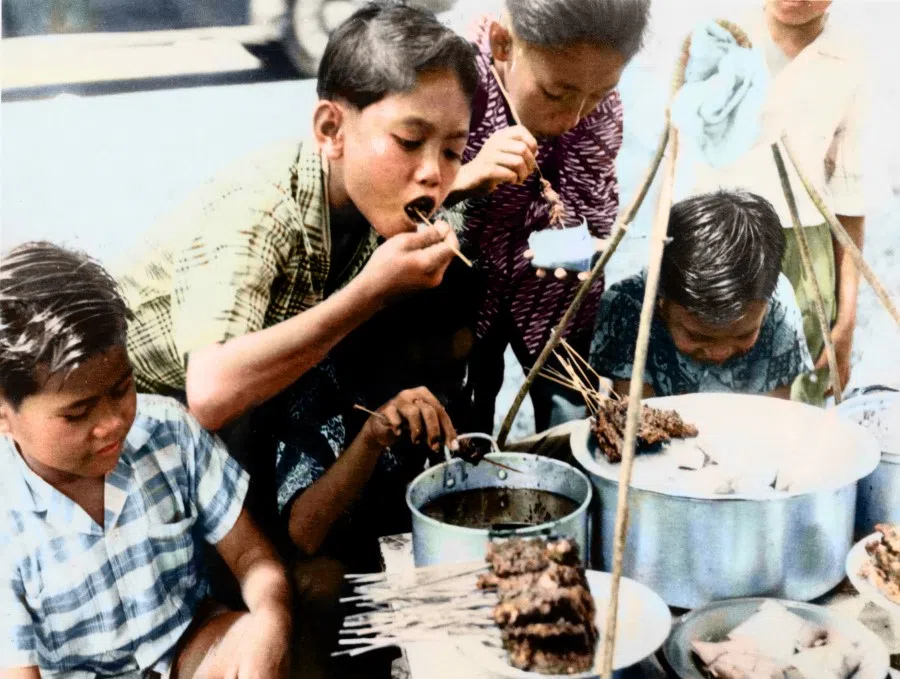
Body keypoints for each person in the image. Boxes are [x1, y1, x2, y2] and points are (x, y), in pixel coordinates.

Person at [114, 4, 478, 436]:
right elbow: (211, 393)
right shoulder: (259, 209)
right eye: (410, 141)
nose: (433, 173)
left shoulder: (372, 197)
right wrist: (372, 292)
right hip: (119, 423)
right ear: (330, 130)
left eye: (453, 151)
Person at [0, 242, 292, 679]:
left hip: (187, 650)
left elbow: (252, 556)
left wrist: (272, 620)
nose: (112, 423)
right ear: (5, 417)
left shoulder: (168, 430)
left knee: (250, 640)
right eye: (77, 413)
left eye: (121, 390)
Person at [445, 0, 652, 434]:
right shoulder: (451, 83)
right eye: (556, 93)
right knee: (459, 405)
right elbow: (405, 195)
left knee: (569, 403)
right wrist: (464, 180)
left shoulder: (599, 112)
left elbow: (593, 212)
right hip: (456, 281)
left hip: (550, 286)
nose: (575, 115)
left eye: (597, 94)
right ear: (504, 44)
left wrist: (563, 251)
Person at [686, 0, 869, 403]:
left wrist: (847, 321)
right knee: (714, 395)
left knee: (796, 400)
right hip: (719, 248)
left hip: (804, 259)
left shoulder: (849, 61)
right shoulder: (719, 41)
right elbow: (682, 159)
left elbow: (850, 202)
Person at [589, 191, 813, 398]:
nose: (719, 353)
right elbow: (635, 420)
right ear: (662, 301)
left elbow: (777, 414)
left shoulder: (779, 307)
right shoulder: (629, 307)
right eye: (698, 336)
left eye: (743, 335)